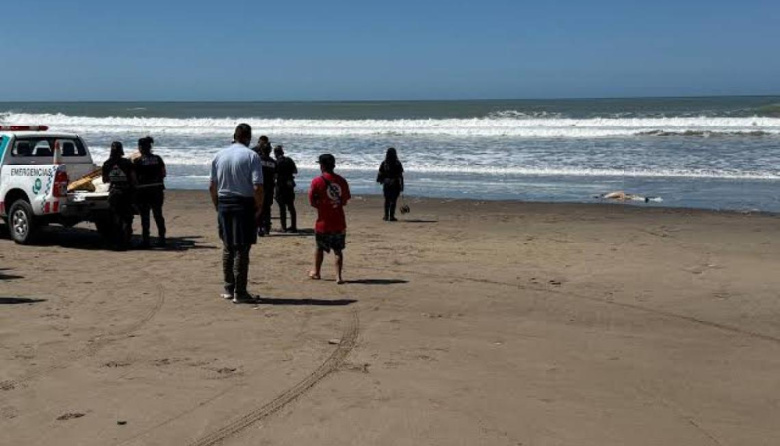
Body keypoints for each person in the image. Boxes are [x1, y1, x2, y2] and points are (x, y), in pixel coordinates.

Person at [209, 123, 264, 303]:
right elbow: (257, 186)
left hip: (224, 202)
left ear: (234, 136)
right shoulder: (251, 156)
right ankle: (240, 292)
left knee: (228, 247)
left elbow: (212, 186)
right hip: (243, 203)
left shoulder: (219, 155)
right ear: (248, 138)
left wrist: (217, 205)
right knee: (242, 248)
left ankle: (228, 288)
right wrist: (259, 206)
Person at [308, 154, 351, 284]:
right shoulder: (341, 181)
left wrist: (322, 205)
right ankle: (338, 276)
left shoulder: (317, 181)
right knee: (338, 250)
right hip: (338, 221)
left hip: (323, 222)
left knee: (319, 248)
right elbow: (345, 200)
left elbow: (312, 201)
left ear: (322, 166)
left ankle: (316, 272)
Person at [101, 141, 136, 250]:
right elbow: (133, 178)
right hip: (126, 192)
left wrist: (114, 176)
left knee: (116, 218)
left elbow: (104, 180)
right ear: (121, 150)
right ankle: (127, 241)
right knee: (127, 218)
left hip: (114, 192)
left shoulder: (107, 163)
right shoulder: (127, 162)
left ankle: (116, 242)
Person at [132, 136, 167, 248]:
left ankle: (146, 240)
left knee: (145, 216)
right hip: (157, 190)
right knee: (158, 215)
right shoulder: (158, 158)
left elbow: (133, 177)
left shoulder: (137, 161)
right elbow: (163, 173)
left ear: (140, 147)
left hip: (144, 191)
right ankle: (162, 239)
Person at [253, 137, 276, 236]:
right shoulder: (274, 162)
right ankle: (267, 227)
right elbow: (276, 175)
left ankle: (260, 227)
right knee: (267, 208)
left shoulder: (257, 160)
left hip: (260, 186)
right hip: (270, 187)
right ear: (270, 151)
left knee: (259, 207)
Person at [274, 145, 298, 233]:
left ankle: (283, 227)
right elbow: (295, 171)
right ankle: (294, 226)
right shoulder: (289, 160)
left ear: (275, 153)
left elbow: (275, 175)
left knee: (282, 207)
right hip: (289, 185)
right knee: (291, 206)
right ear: (282, 152)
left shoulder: (276, 162)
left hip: (280, 186)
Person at [376, 147, 404, 221]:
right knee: (393, 200)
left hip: (387, 184)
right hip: (395, 184)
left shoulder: (384, 163)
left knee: (387, 200)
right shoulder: (397, 163)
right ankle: (391, 216)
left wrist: (380, 180)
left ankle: (386, 216)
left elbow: (380, 173)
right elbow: (400, 176)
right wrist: (402, 186)